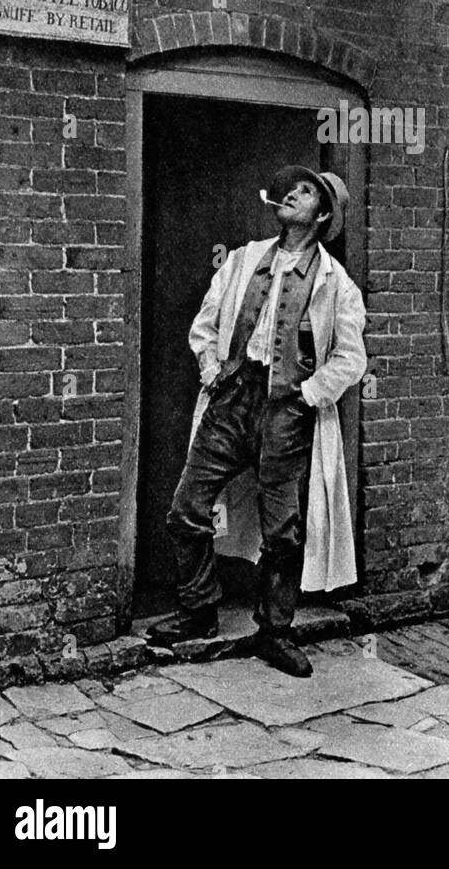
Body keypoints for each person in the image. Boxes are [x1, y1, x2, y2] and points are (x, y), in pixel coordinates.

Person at [147, 166, 367, 677]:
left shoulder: (338, 285)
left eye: (306, 191)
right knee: (186, 510)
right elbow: (205, 323)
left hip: (286, 414)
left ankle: (275, 631)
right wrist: (210, 370)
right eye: (289, 188)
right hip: (233, 402)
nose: (291, 194)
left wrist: (307, 395)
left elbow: (350, 359)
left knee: (284, 532)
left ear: (324, 213)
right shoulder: (245, 259)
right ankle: (198, 610)